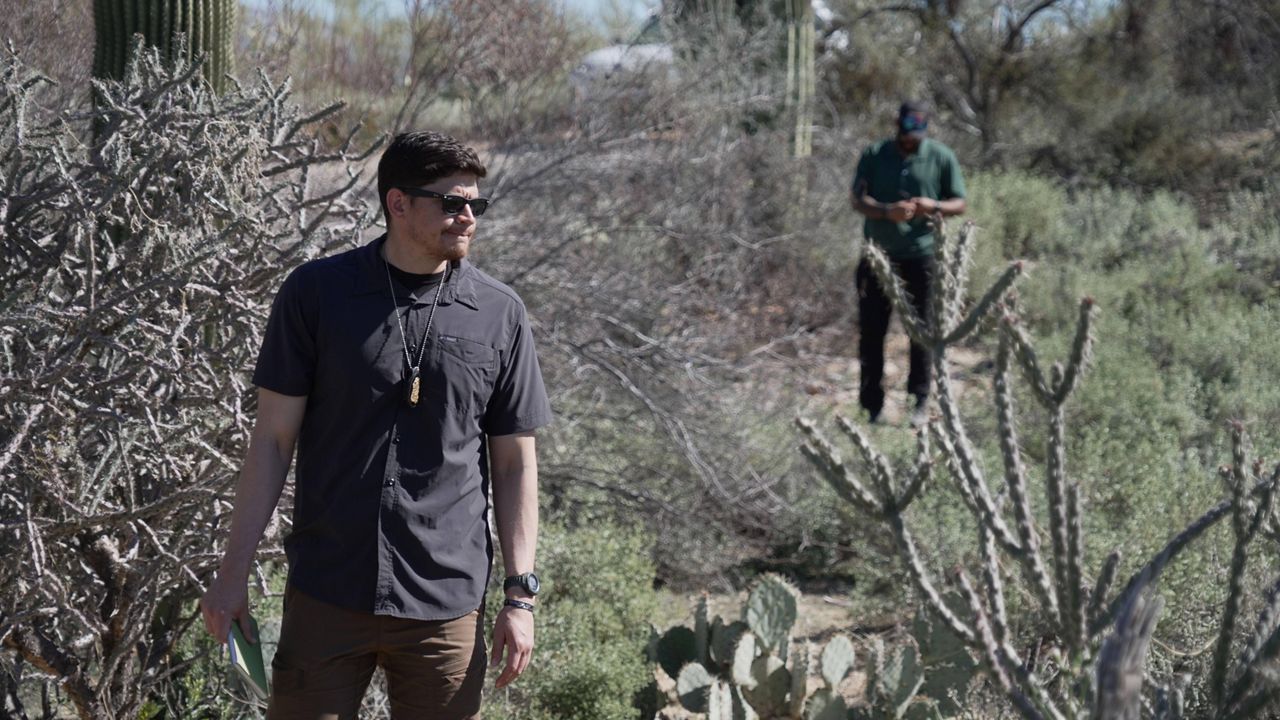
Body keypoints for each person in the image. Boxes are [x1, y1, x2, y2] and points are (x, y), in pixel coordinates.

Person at [200, 131, 553, 719]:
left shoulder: (500, 312)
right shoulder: (317, 294)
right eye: (450, 203)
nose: (467, 218)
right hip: (328, 591)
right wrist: (232, 572)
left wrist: (521, 595)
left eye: (475, 205)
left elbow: (515, 462)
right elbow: (272, 439)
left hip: (445, 601)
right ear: (397, 203)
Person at [850, 101, 967, 426]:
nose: (910, 140)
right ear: (897, 127)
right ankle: (871, 405)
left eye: (916, 134)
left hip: (922, 256)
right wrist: (888, 212)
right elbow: (857, 199)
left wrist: (933, 206)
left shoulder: (941, 156)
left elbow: (960, 202)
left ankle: (919, 400)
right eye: (905, 134)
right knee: (872, 333)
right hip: (878, 255)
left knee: (922, 332)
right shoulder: (874, 154)